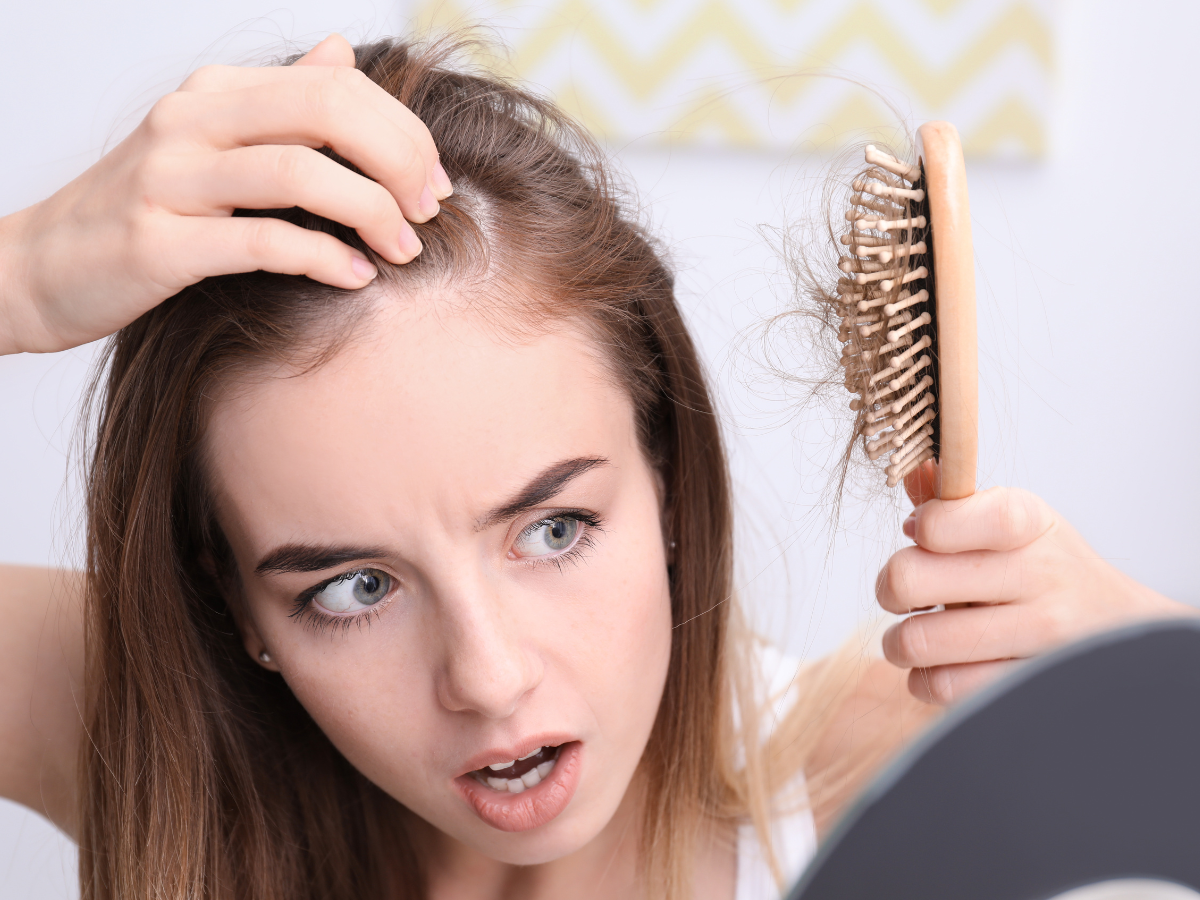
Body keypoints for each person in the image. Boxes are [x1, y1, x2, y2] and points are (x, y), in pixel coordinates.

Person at [0, 33, 1190, 900]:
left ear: (666, 473)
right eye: (351, 588)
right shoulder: (156, 735)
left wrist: (1159, 697)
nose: (489, 676)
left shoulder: (870, 777)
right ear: (237, 607)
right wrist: (22, 279)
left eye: (553, 528)